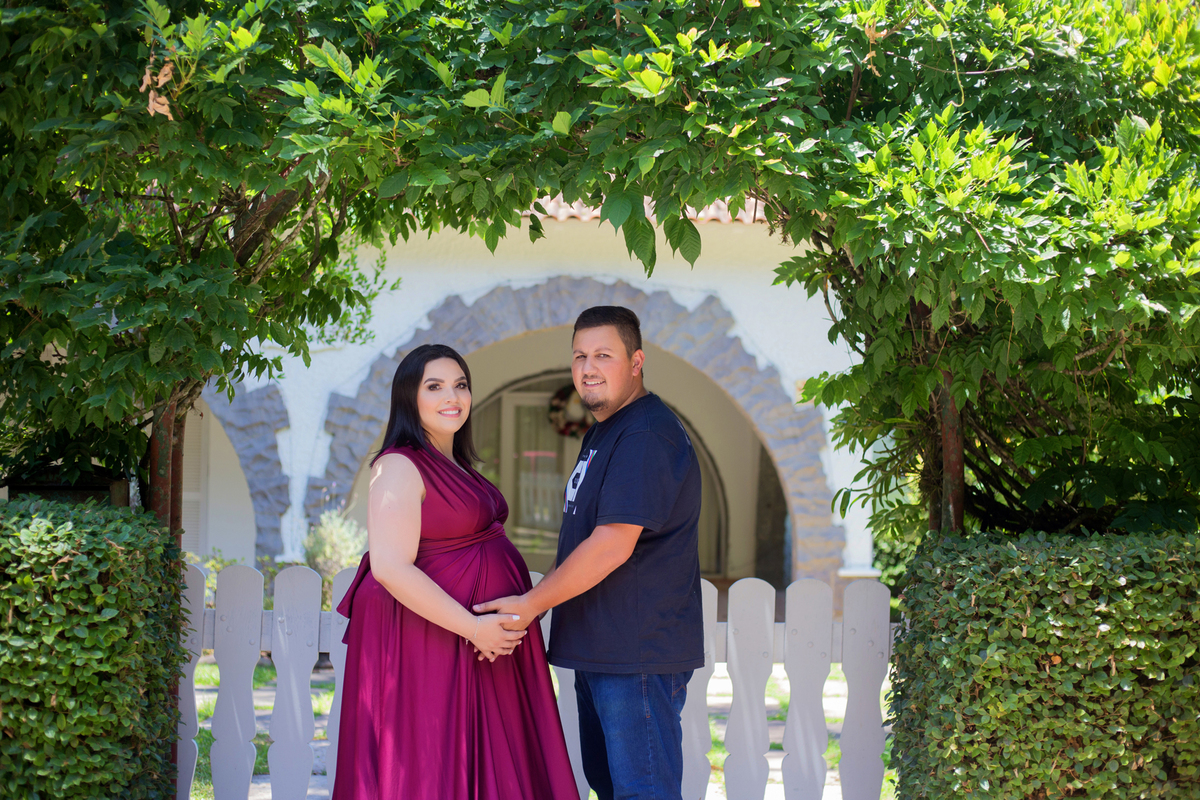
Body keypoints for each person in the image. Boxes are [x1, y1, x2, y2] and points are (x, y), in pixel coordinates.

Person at [475, 306, 705, 800]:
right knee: (610, 788)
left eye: (604, 354)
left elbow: (611, 546)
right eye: (579, 356)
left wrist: (531, 606)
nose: (588, 367)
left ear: (637, 360)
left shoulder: (645, 434)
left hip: (635, 654)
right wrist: (534, 599)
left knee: (643, 793)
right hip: (605, 652)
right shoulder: (607, 431)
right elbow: (582, 542)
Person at [332, 344, 578, 800]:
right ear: (410, 398)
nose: (453, 396)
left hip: (474, 644)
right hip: (434, 642)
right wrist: (474, 628)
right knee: (432, 763)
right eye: (435, 386)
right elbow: (389, 567)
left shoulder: (457, 465)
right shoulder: (398, 466)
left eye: (460, 385)